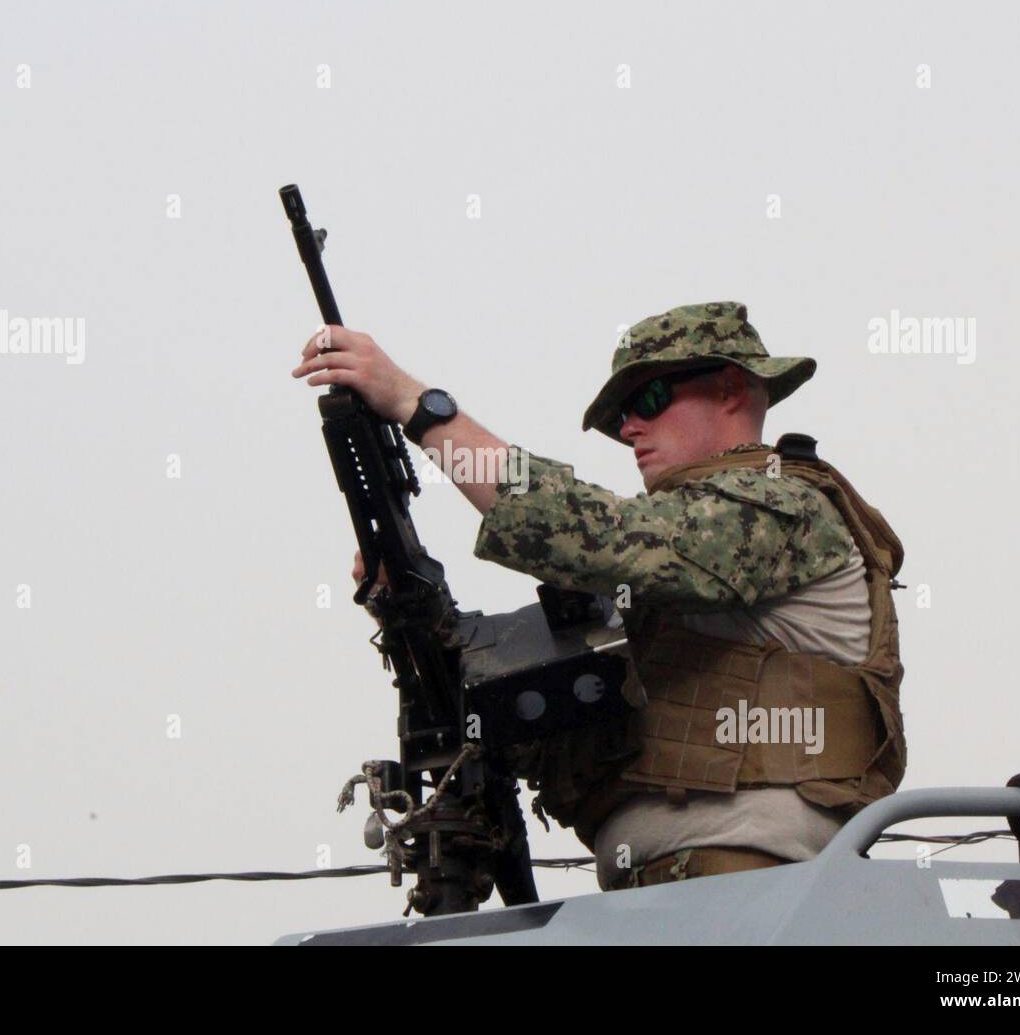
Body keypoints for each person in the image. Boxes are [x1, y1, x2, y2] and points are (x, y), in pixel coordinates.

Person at [294, 301, 906, 891]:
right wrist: (410, 606)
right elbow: (538, 701)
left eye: (651, 400)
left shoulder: (782, 509)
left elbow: (594, 533)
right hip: (671, 894)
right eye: (620, 420)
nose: (630, 427)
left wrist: (416, 406)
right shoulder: (673, 580)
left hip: (750, 887)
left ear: (729, 390)